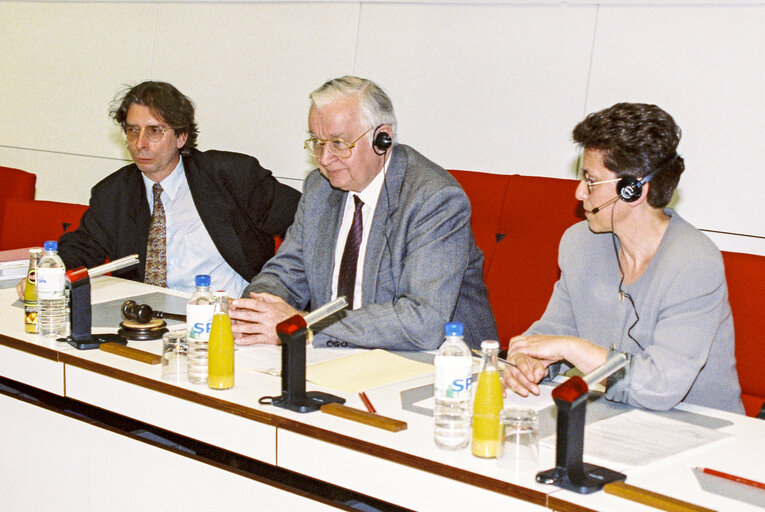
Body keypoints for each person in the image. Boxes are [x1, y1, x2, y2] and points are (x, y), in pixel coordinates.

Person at [502, 103, 744, 413]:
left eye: (590, 181)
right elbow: (553, 331)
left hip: (700, 434)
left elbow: (661, 387)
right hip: (615, 420)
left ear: (632, 191)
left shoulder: (694, 263)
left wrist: (570, 348)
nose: (578, 192)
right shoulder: (580, 243)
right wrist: (529, 359)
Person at [229, 76, 496, 350]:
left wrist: (305, 326)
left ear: (383, 139)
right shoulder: (320, 188)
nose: (323, 158)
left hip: (438, 367)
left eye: (338, 143)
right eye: (317, 143)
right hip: (333, 357)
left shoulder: (433, 199)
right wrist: (254, 312)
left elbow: (423, 322)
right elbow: (285, 273)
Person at [18, 81, 300, 297]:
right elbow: (81, 247)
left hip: (226, 314)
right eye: (132, 130)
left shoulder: (230, 175)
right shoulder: (113, 192)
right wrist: (49, 270)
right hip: (146, 318)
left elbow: (306, 226)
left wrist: (277, 288)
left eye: (154, 131)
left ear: (181, 136)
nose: (140, 143)